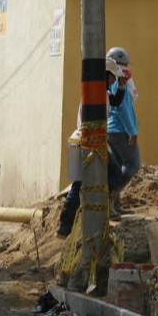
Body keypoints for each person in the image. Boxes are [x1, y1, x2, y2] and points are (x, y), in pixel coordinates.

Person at [55, 59, 131, 238]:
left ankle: (66, 225)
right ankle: (90, 215)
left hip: (86, 141)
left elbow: (117, 101)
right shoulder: (95, 94)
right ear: (105, 75)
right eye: (112, 77)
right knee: (112, 174)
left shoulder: (100, 93)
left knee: (80, 184)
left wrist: (121, 86)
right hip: (89, 143)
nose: (113, 81)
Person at [106, 46, 141, 215]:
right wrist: (131, 131)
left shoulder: (113, 79)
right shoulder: (118, 78)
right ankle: (110, 199)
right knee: (132, 165)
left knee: (120, 165)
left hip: (111, 130)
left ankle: (115, 207)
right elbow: (122, 108)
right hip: (120, 130)